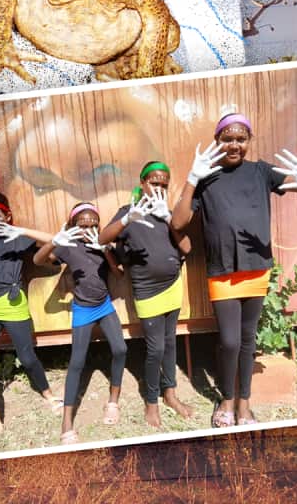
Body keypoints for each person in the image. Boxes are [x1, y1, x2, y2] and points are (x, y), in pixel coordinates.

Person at [170, 112, 297, 428]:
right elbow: (179, 222)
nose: (234, 144)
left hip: (256, 268)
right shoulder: (207, 177)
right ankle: (226, 398)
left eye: (240, 139)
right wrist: (192, 178)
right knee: (229, 341)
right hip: (221, 271)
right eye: (227, 138)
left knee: (247, 339)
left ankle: (244, 405)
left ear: (249, 141)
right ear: (218, 141)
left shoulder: (261, 172)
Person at [99, 161, 193, 428]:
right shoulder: (129, 211)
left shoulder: (169, 213)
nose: (159, 188)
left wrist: (167, 218)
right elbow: (103, 239)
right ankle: (151, 403)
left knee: (171, 343)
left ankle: (171, 395)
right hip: (147, 291)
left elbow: (186, 247)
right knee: (155, 349)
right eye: (154, 183)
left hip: (173, 285)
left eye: (164, 185)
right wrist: (127, 219)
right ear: (142, 183)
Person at [0, 192, 64, 435]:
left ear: (6, 216)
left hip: (13, 305)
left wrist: (20, 231)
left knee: (28, 358)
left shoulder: (16, 239)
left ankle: (50, 397)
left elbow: (54, 241)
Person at [34, 202, 127, 444]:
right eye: (82, 224)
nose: (88, 228)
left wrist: (105, 249)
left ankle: (113, 403)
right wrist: (56, 240)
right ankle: (66, 423)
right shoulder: (68, 245)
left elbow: (119, 274)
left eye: (93, 224)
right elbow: (38, 259)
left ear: (98, 223)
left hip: (104, 305)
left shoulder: (103, 242)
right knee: (77, 363)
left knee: (120, 349)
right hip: (83, 310)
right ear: (74, 225)